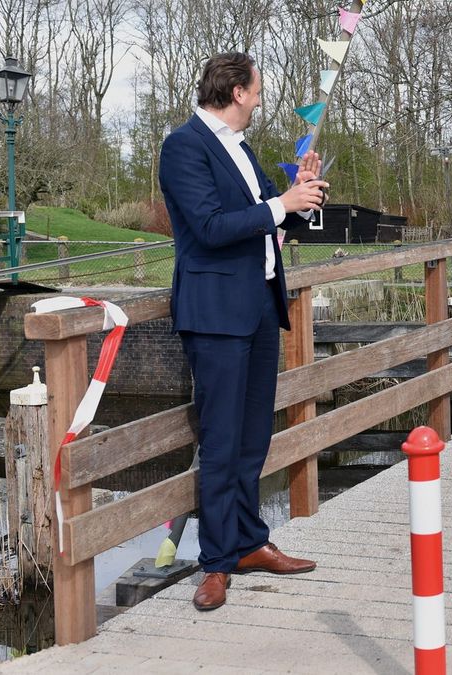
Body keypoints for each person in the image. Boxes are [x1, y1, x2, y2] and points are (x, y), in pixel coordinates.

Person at [159, 52, 329, 611]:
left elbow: (266, 217)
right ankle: (215, 562)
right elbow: (209, 228)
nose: (259, 100)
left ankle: (250, 541)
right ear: (235, 92)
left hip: (258, 306)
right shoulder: (183, 146)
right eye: (255, 91)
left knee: (254, 435)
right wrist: (280, 203)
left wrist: (298, 196)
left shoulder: (243, 149)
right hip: (214, 313)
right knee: (222, 440)